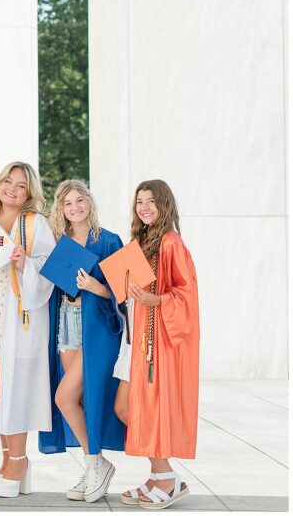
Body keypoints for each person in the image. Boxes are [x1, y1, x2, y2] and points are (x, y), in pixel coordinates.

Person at [38, 179, 125, 503]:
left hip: (95, 328)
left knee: (64, 397)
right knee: (76, 401)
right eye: (67, 203)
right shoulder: (61, 242)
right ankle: (96, 465)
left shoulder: (110, 241)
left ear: (89, 202)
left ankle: (96, 463)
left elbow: (124, 291)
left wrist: (94, 286)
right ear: (60, 209)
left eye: (79, 200)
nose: (75, 207)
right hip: (66, 326)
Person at [0, 161, 54, 498]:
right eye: (8, 181)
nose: (12, 189)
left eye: (21, 185)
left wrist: (26, 263)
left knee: (12, 387)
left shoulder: (36, 223)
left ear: (29, 192)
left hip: (18, 317)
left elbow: (48, 269)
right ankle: (9, 460)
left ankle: (19, 461)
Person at [116, 180, 199, 510]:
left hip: (156, 343)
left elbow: (186, 295)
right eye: (139, 201)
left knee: (145, 410)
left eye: (151, 201)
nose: (145, 207)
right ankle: (159, 475)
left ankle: (166, 477)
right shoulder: (144, 240)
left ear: (165, 205)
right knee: (126, 408)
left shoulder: (171, 243)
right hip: (135, 340)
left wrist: (156, 299)